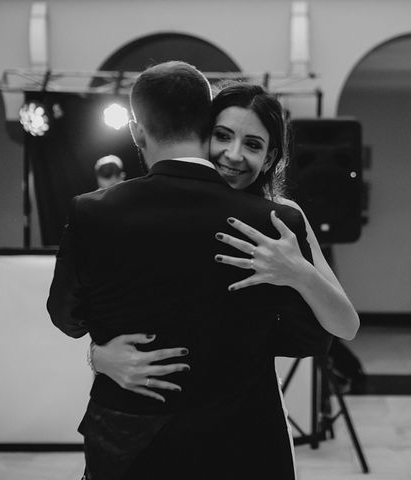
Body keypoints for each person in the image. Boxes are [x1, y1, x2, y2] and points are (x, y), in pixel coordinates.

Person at [47, 62, 331, 480]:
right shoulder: (272, 220)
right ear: (208, 126)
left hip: (129, 435)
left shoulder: (90, 210)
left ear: (136, 131)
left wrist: (99, 353)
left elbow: (65, 316)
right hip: (237, 437)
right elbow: (309, 335)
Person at [91, 82, 361, 396]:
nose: (233, 155)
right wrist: (99, 356)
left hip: (245, 405)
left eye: (253, 145)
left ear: (270, 157)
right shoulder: (158, 206)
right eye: (223, 136)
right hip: (160, 409)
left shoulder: (282, 216)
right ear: (203, 137)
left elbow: (347, 326)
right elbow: (109, 308)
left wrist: (299, 273)